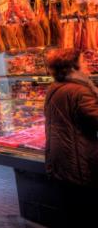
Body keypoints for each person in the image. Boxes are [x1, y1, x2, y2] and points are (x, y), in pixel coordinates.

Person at [43, 48, 98, 218]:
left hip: (61, 158)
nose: (87, 64)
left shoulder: (55, 87)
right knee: (84, 211)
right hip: (78, 161)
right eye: (83, 61)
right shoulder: (79, 91)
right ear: (73, 67)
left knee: (71, 210)